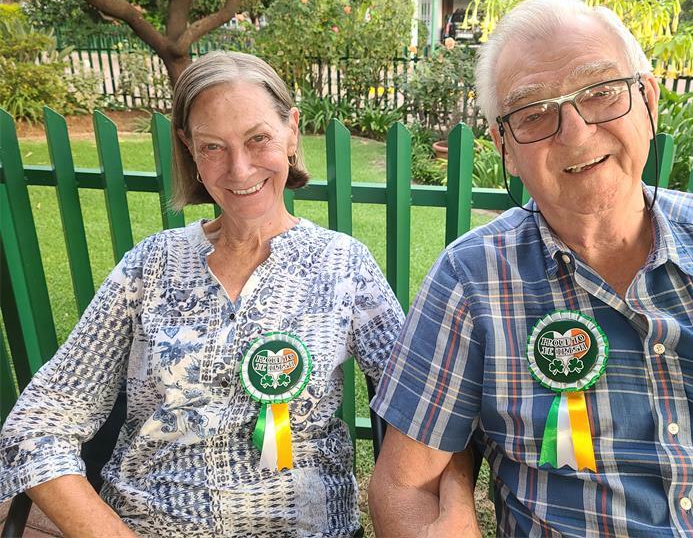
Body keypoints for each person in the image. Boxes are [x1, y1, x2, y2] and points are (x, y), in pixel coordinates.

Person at [369, 0, 693, 537]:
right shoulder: (472, 281)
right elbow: (406, 486)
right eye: (533, 114)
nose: (574, 132)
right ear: (505, 147)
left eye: (600, 92)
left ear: (647, 100)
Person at [0, 51, 404, 537]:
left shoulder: (344, 265)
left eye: (258, 138)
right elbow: (37, 424)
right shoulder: (150, 266)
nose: (239, 169)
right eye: (213, 146)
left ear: (292, 131)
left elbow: (420, 402)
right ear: (189, 148)